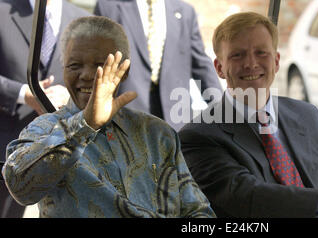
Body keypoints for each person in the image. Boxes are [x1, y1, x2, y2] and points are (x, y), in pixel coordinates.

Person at [178, 12, 318, 218]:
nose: (251, 63)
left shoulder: (311, 116)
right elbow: (248, 197)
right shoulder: (198, 136)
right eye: (238, 55)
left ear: (275, 61)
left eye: (261, 53)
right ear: (219, 68)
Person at [1, 16, 215, 218]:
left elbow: (197, 209)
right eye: (74, 65)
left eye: (100, 65)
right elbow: (20, 187)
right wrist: (85, 125)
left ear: (125, 70)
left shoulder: (156, 133)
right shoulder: (44, 128)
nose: (86, 75)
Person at [0, 0, 90, 218]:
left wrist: (71, 96)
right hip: (6, 146)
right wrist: (24, 94)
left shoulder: (83, 18)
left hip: (63, 149)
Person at [94, 0, 223, 131]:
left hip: (176, 118)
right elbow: (96, 60)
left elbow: (201, 65)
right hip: (126, 118)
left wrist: (222, 111)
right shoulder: (108, 6)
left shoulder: (185, 12)